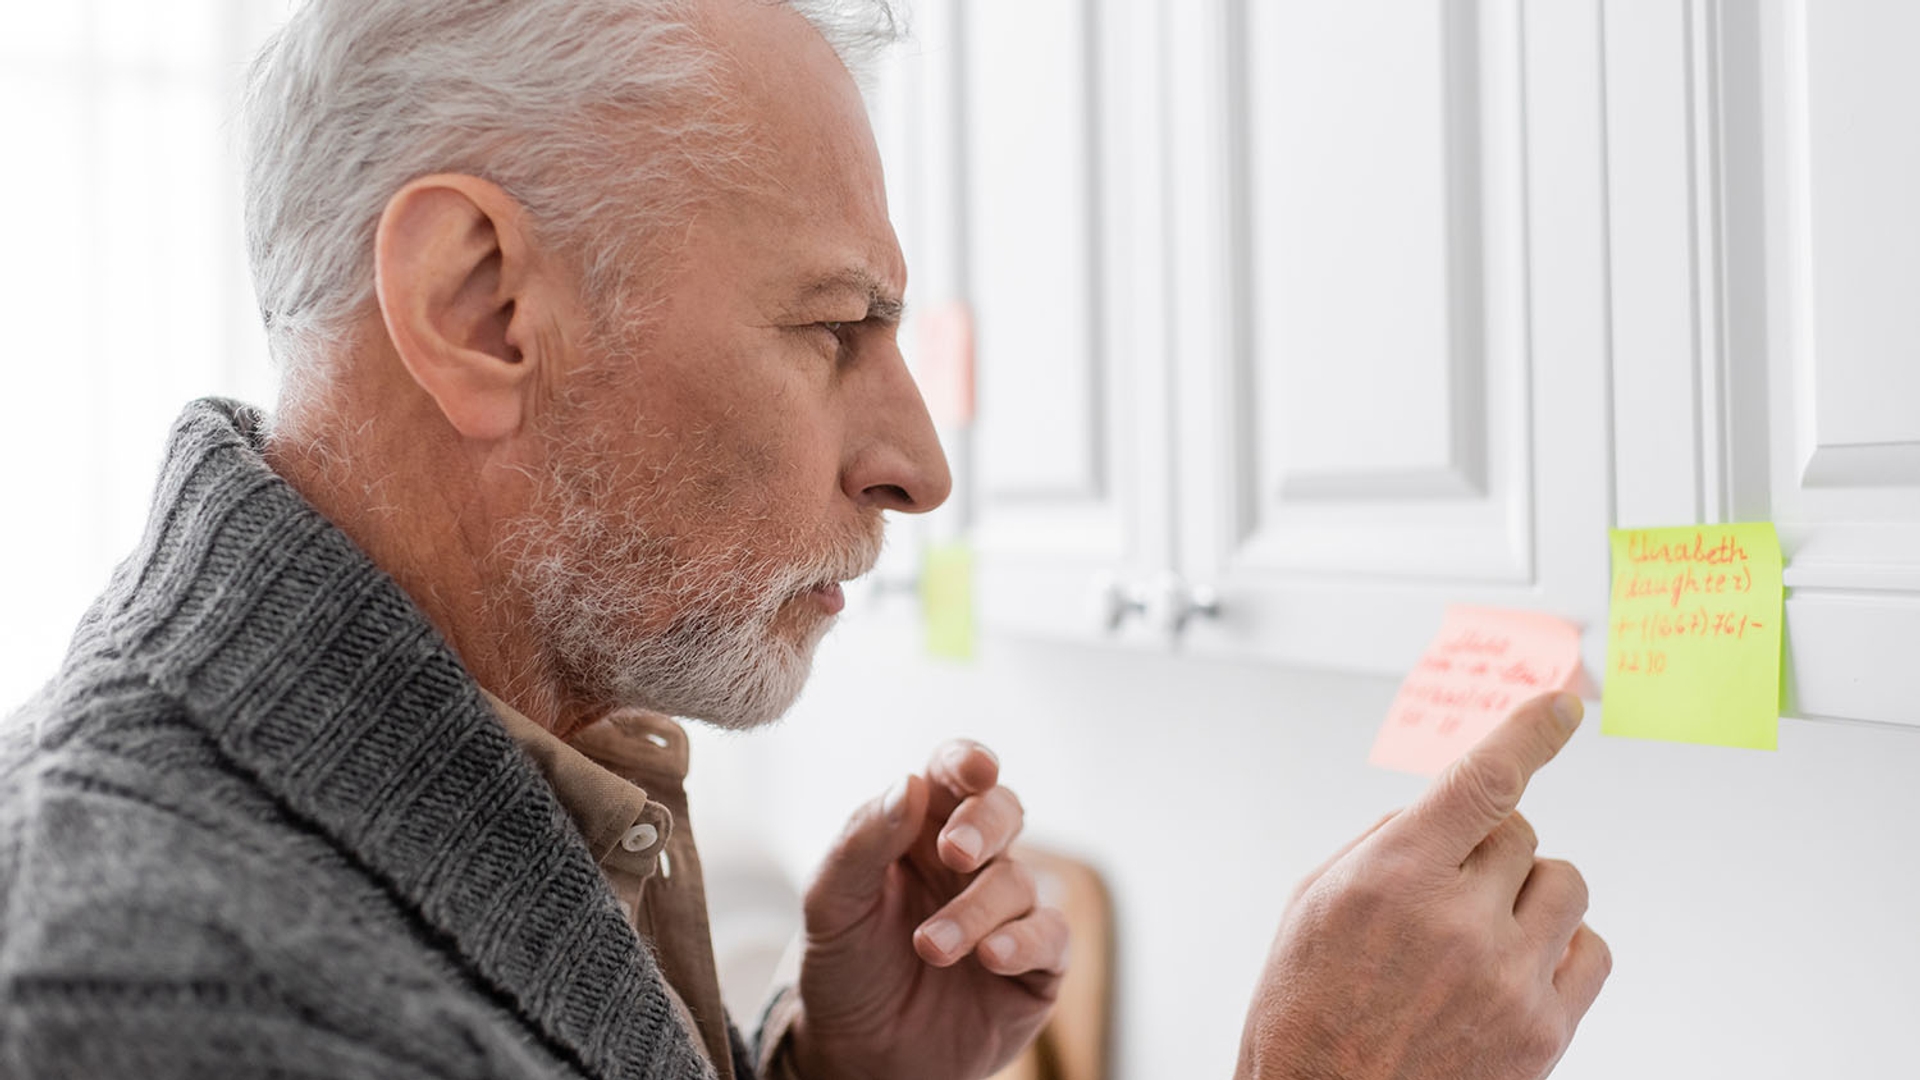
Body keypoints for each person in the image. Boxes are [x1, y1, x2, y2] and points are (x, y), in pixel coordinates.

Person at [0, 0, 1610, 1077]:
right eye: (837, 326)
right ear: (480, 307)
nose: (919, 468)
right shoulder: (142, 985)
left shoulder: (411, 778)